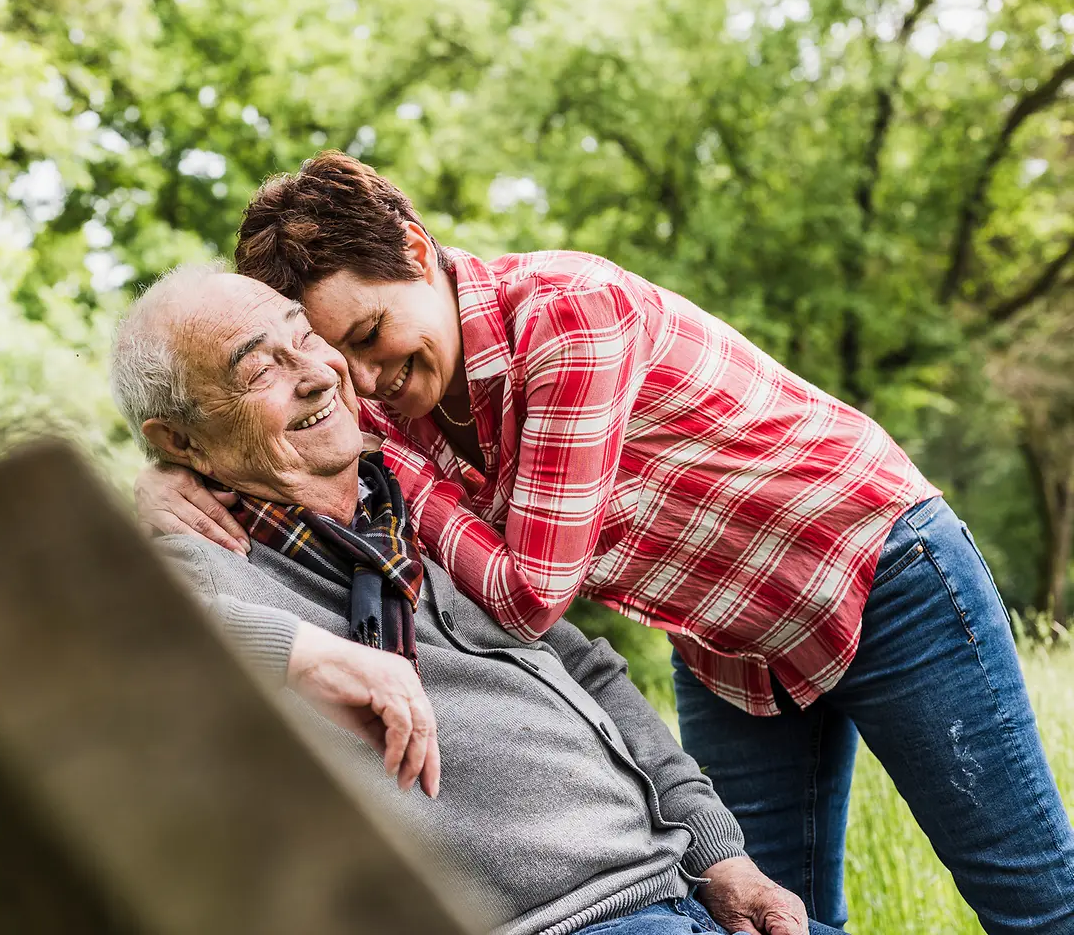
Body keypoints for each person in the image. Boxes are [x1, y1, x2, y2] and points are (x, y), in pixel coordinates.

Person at [135, 153, 1074, 933]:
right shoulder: (405, 406)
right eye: (348, 360)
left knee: (1028, 898)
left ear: (418, 251)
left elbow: (529, 596)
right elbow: (263, 452)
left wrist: (377, 452)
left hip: (870, 572)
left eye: (375, 337)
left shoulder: (567, 315)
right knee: (775, 912)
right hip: (725, 635)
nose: (370, 381)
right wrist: (167, 478)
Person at [109, 265, 842, 935]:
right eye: (259, 369)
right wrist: (304, 653)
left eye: (306, 339)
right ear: (179, 439)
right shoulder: (196, 562)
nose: (315, 375)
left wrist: (724, 861)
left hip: (678, 887)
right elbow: (109, 640)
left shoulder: (419, 508)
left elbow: (591, 678)